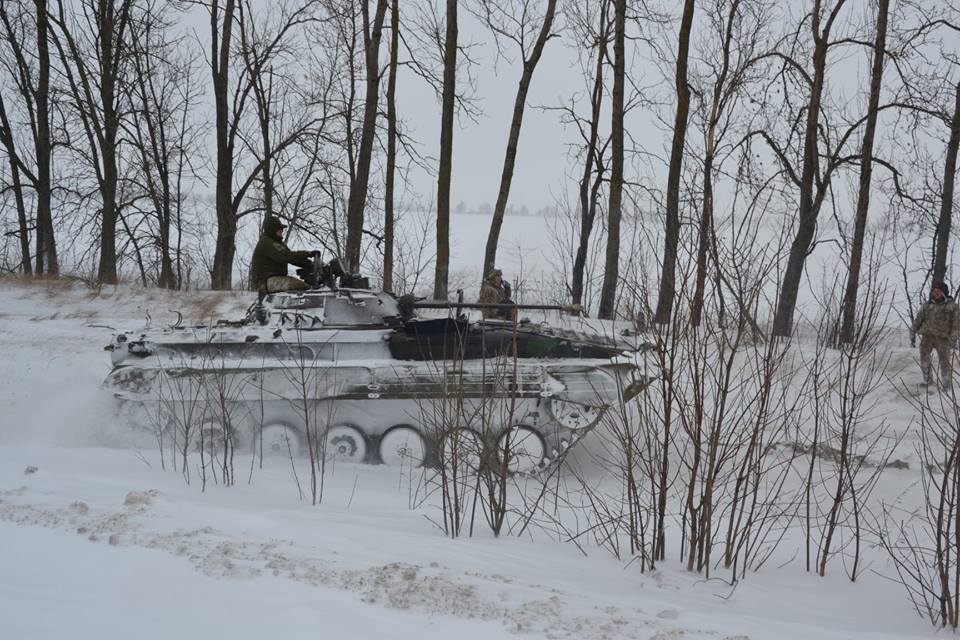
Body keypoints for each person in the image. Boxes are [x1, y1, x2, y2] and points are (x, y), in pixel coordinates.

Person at [911, 281, 960, 390]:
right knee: (924, 356)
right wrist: (913, 330)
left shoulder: (952, 306)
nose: (936, 293)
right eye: (935, 291)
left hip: (943, 338)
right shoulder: (927, 305)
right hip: (927, 336)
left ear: (944, 292)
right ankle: (928, 381)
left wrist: (953, 339)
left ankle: (946, 385)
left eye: (939, 291)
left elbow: (956, 325)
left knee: (945, 361)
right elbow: (919, 319)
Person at [250, 217, 315, 293]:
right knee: (298, 285)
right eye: (279, 228)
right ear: (272, 229)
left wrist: (310, 264)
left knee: (304, 285)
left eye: (281, 228)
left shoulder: (277, 243)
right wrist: (307, 254)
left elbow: (292, 259)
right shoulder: (266, 242)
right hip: (264, 282)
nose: (282, 230)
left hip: (274, 279)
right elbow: (285, 256)